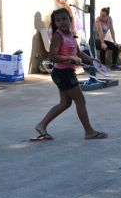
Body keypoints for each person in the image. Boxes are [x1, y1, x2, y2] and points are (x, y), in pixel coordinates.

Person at [31, 8, 107, 141]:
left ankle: (41, 125)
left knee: (65, 103)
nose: (61, 22)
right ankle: (89, 132)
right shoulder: (58, 36)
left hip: (65, 73)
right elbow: (52, 57)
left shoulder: (71, 34)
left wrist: (92, 60)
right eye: (58, 20)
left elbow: (78, 53)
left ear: (70, 20)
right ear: (55, 23)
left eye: (64, 19)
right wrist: (70, 58)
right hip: (63, 73)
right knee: (80, 100)